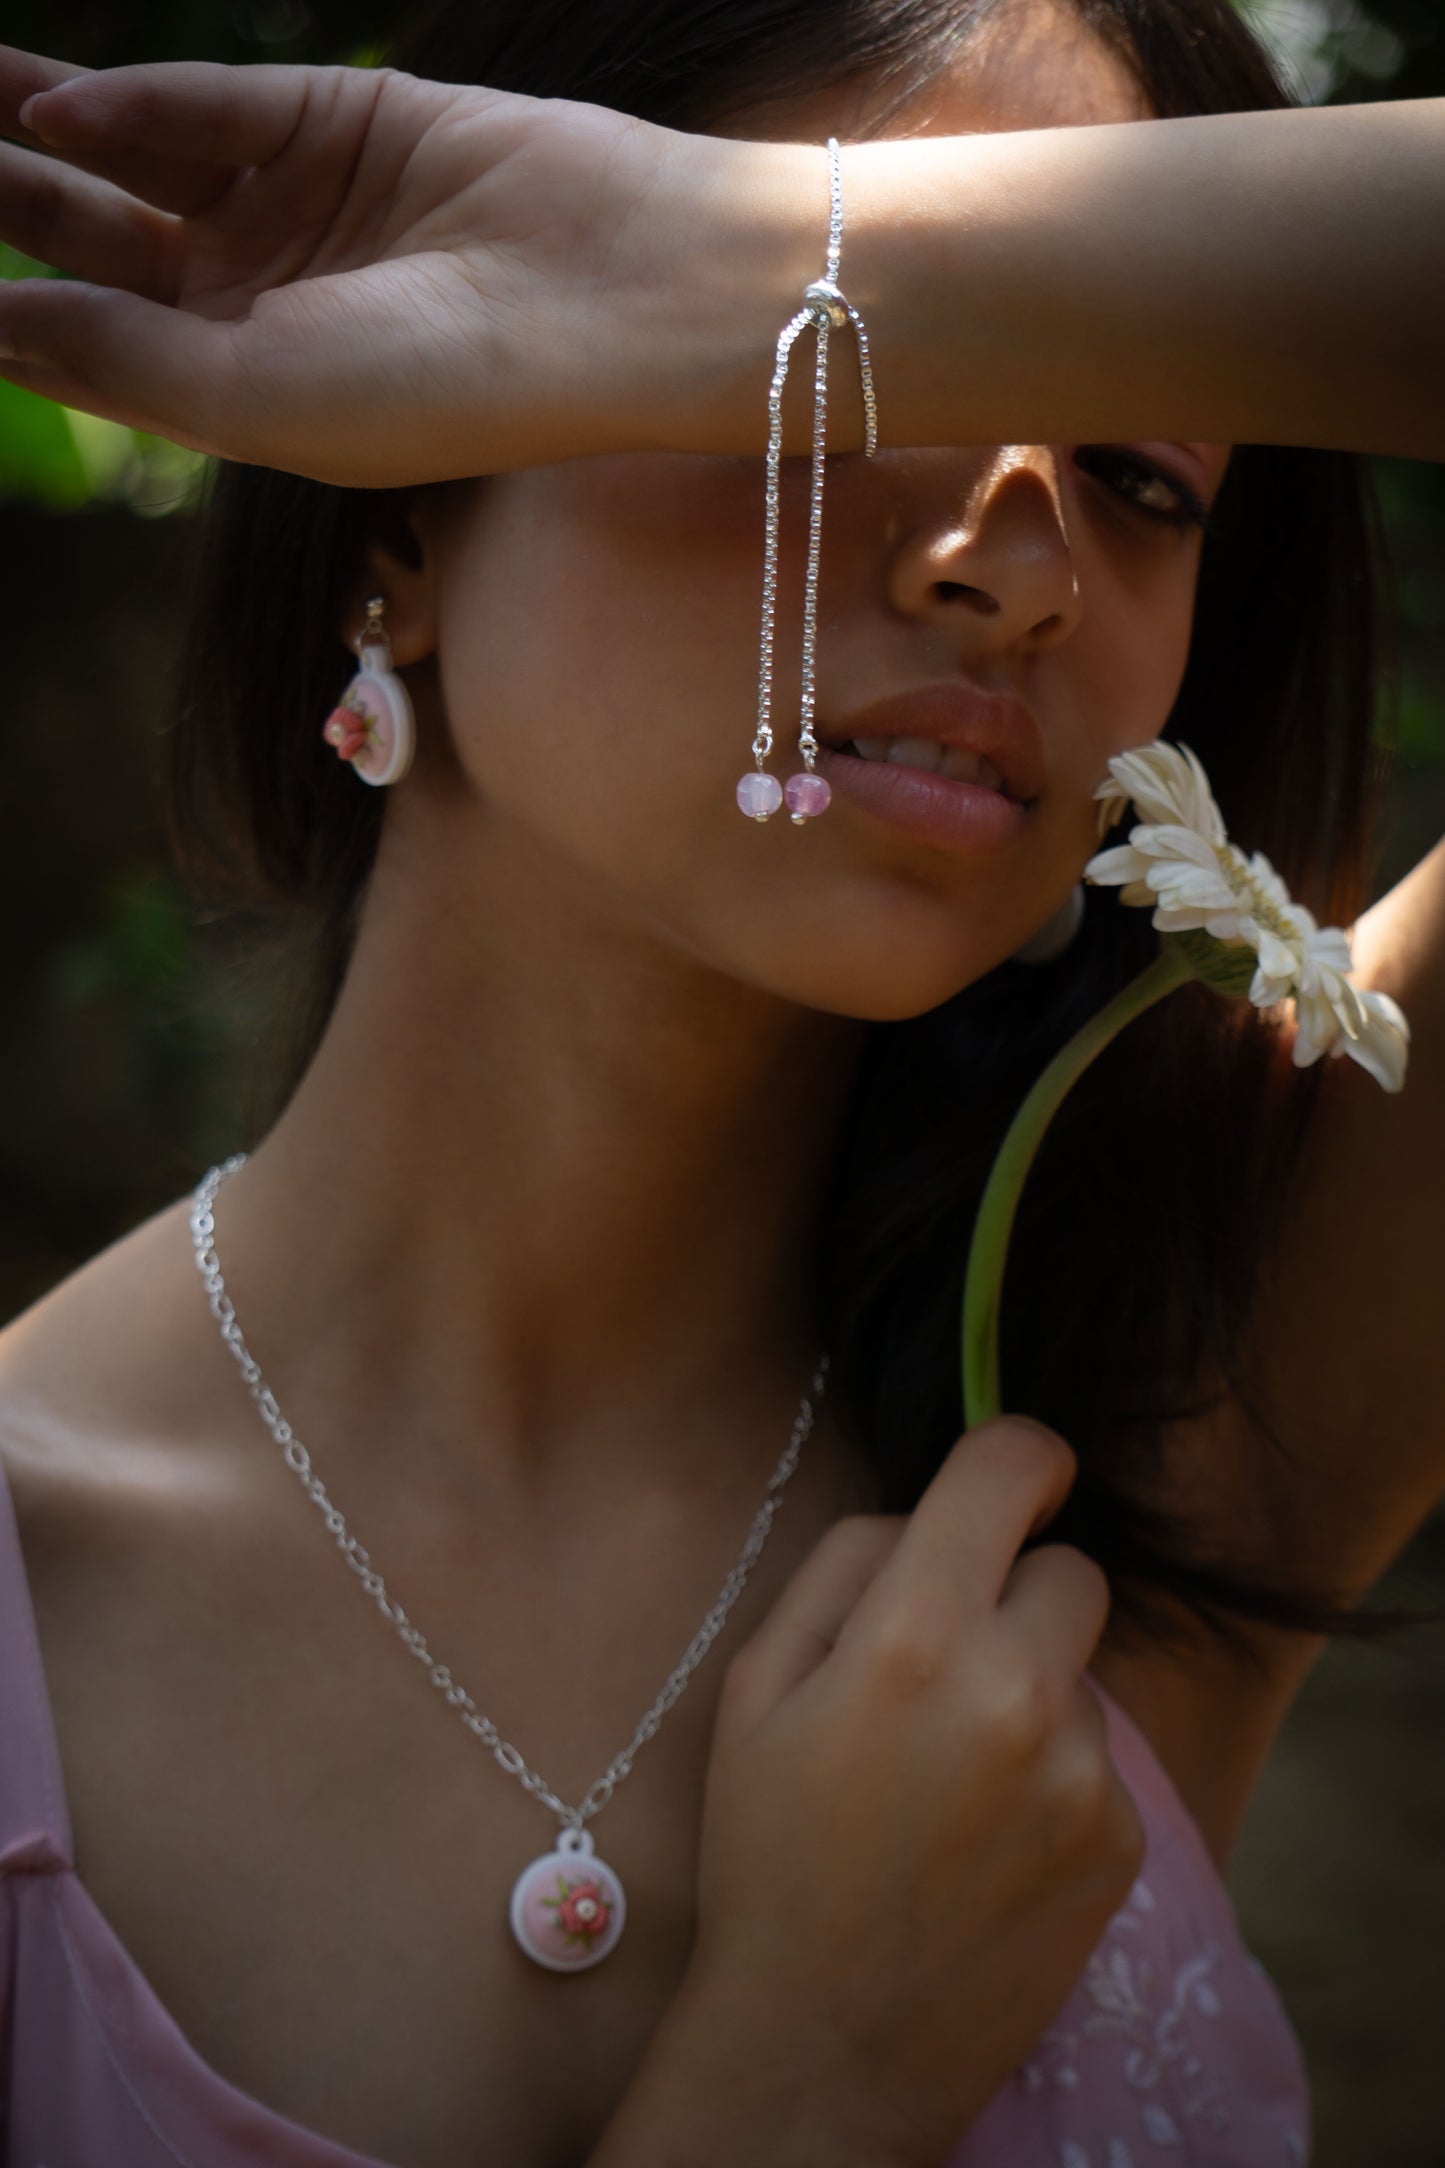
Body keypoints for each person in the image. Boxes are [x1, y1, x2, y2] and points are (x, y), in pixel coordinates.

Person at [0, 0, 1442, 2162]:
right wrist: (808, 2072)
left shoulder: (1171, 1446)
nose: (1022, 563)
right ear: (394, 512)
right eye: (853, 374)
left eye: (1147, 476)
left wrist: (770, 257)